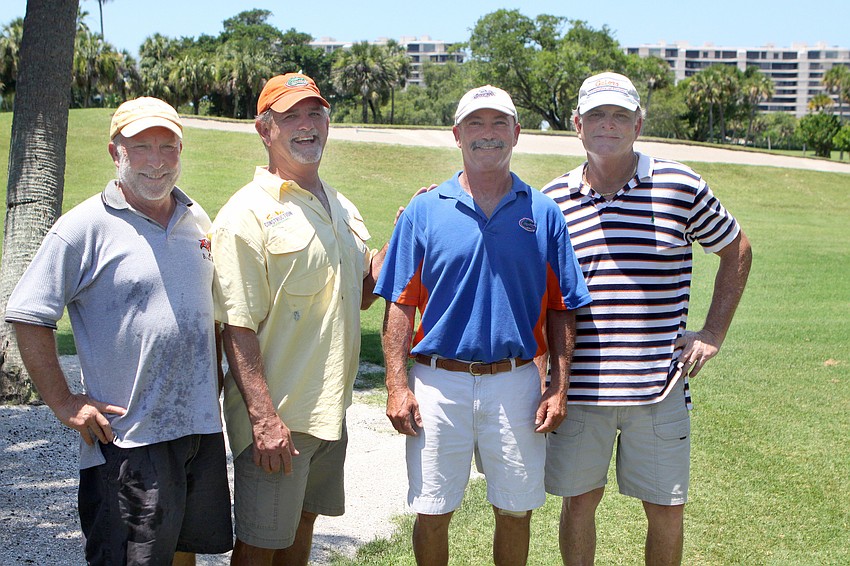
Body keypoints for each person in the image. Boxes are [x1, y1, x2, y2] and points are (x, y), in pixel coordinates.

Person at [5, 97, 233, 565]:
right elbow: (28, 313)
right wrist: (65, 402)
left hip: (199, 430)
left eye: (167, 147)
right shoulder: (84, 227)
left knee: (184, 553)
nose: (156, 160)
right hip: (128, 439)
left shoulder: (196, 220)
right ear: (116, 152)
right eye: (141, 146)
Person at [541, 72, 753, 565]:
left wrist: (714, 332)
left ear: (638, 123)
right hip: (580, 389)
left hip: (659, 387)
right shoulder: (553, 198)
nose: (607, 125)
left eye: (619, 115)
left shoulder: (680, 185)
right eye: (596, 115)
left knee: (665, 508)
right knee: (578, 505)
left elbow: (736, 248)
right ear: (577, 124)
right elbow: (537, 289)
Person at [376, 85, 592, 566]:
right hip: (437, 382)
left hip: (515, 382)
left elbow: (562, 307)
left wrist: (558, 387)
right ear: (457, 134)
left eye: (499, 124)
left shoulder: (543, 212)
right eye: (475, 124)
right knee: (432, 510)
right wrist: (396, 385)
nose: (487, 135)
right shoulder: (424, 210)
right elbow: (399, 305)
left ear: (516, 133)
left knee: (515, 510)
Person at [210, 73, 386, 566]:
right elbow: (236, 328)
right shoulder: (246, 214)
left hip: (328, 412)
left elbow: (362, 295)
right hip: (278, 420)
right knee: (260, 542)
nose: (307, 126)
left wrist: (406, 233)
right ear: (265, 130)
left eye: (315, 113)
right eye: (291, 116)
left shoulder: (340, 204)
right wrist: (265, 420)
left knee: (300, 528)